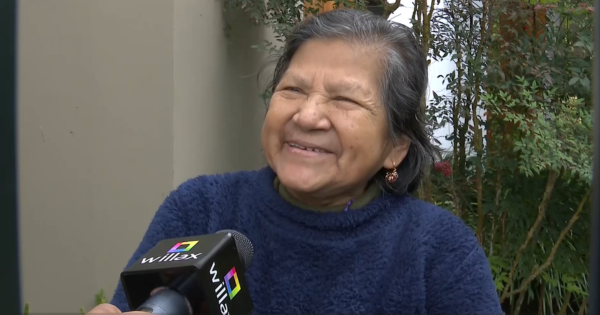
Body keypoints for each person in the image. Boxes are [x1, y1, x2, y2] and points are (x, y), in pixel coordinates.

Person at [90, 8, 502, 315]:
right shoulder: (200, 208)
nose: (306, 116)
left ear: (396, 146)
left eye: (344, 99)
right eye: (292, 90)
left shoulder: (441, 252)